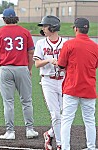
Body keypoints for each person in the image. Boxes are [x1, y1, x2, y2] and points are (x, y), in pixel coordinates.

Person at [58, 17, 98, 150]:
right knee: (90, 120)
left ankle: (65, 147)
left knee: (66, 120)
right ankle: (91, 147)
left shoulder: (69, 44)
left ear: (76, 29)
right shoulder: (95, 46)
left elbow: (61, 65)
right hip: (89, 89)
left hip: (71, 88)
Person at [0, 8, 38, 140]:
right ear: (16, 18)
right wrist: (29, 68)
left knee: (8, 102)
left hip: (5, 69)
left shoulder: (0, 32)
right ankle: (30, 129)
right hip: (22, 68)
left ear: (4, 19)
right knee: (26, 101)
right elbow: (31, 52)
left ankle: (10, 132)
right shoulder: (25, 32)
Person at [33, 15, 67, 150]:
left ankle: (49, 134)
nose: (43, 29)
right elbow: (36, 64)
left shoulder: (65, 43)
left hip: (64, 80)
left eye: (45, 26)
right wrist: (48, 60)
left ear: (53, 27)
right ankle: (59, 144)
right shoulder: (41, 43)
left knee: (65, 114)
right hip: (48, 81)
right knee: (55, 114)